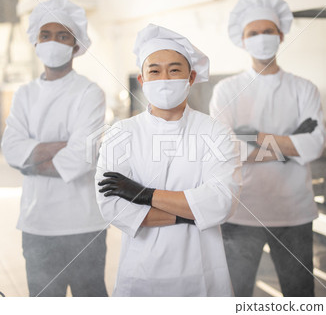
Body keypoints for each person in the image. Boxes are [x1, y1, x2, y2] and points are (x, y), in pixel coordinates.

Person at [95, 24, 242, 296]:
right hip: (141, 274)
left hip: (202, 274)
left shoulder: (214, 131)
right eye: (154, 71)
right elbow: (113, 207)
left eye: (175, 70)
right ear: (142, 80)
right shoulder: (121, 133)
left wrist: (143, 194)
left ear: (191, 77)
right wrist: (194, 215)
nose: (164, 78)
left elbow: (222, 202)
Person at [209, 0, 326, 297]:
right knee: (236, 296)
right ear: (242, 40)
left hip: (294, 213)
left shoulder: (304, 88)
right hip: (241, 211)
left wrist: (254, 135)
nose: (262, 38)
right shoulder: (227, 90)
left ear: (281, 35)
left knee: (300, 297)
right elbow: (224, 150)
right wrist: (289, 147)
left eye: (268, 31)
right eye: (253, 32)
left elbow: (314, 145)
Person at [1, 0, 108, 297]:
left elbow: (82, 158)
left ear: (76, 45)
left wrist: (30, 160)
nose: (53, 42)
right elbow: (10, 149)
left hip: (83, 225)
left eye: (62, 36)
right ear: (35, 42)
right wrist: (60, 147)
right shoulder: (24, 94)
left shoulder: (89, 92)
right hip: (37, 226)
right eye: (45, 35)